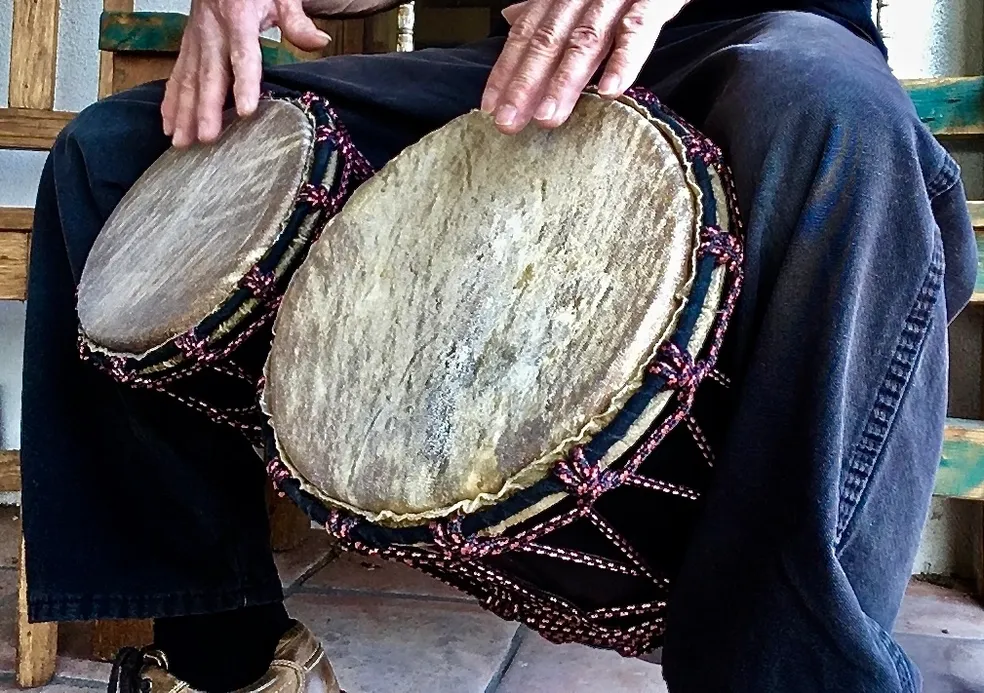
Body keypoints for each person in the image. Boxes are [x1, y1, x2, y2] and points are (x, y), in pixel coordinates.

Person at [20, 0, 977, 690]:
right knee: (116, 151)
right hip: (522, 61)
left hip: (760, 35)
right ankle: (230, 665)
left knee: (834, 120)